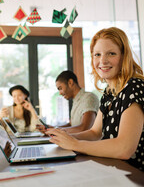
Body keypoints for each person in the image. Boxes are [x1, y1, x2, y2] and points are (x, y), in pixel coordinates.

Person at [46, 27, 144, 171]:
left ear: (124, 56)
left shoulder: (135, 87)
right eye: (97, 54)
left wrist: (75, 144)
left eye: (111, 53)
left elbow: (125, 148)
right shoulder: (109, 92)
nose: (102, 61)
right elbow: (95, 133)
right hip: (116, 173)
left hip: (136, 177)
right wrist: (63, 137)